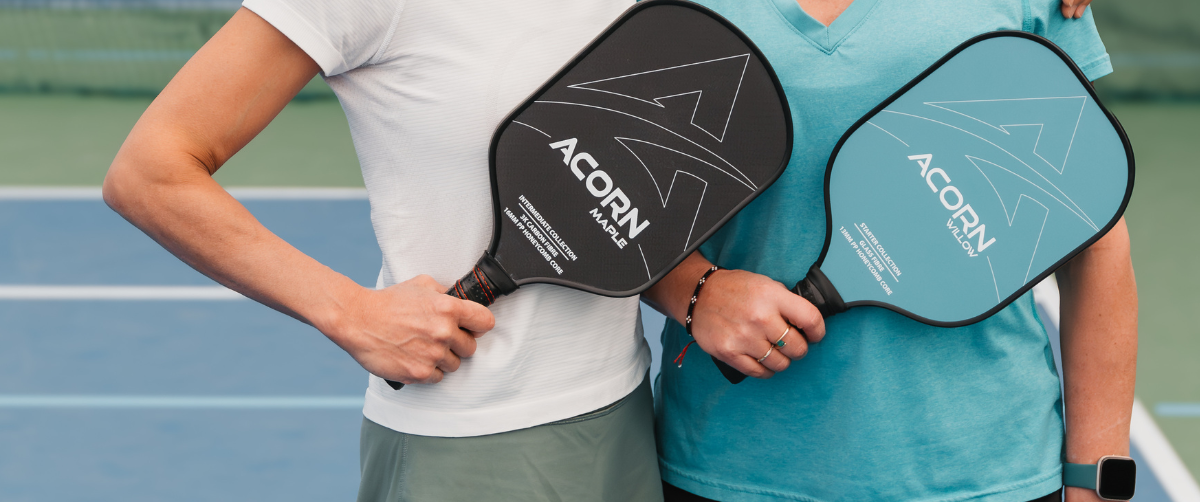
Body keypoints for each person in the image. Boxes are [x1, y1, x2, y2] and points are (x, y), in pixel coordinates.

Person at [102, 1, 665, 500]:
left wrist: (700, 292)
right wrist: (348, 311)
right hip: (471, 444)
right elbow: (150, 172)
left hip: (626, 414)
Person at [642, 0, 1135, 501]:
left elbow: (1090, 233)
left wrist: (1096, 483)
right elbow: (601, 191)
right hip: (730, 464)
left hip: (986, 474)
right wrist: (694, 290)